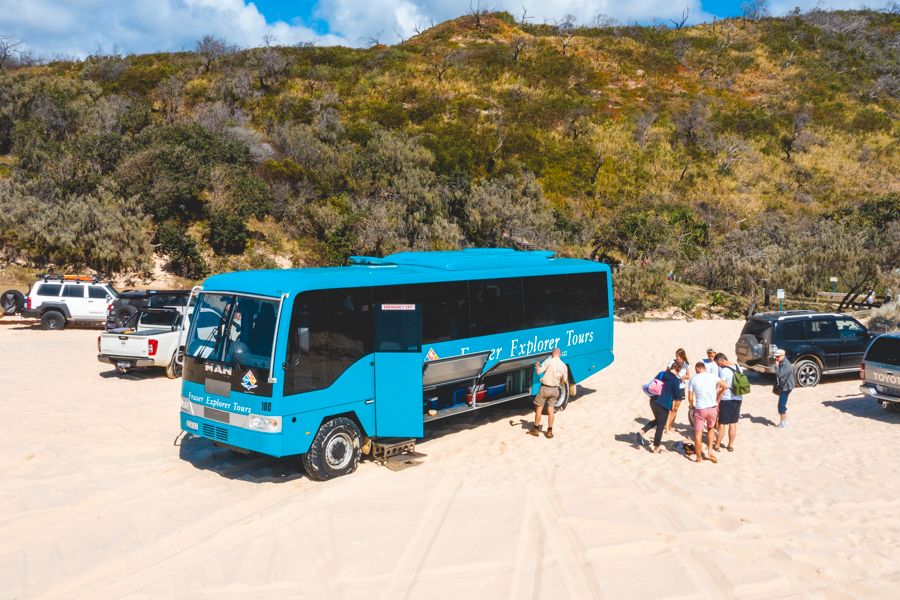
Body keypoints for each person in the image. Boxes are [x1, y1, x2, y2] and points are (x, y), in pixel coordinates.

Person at [635, 364, 681, 453]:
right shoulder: (675, 380)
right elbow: (677, 396)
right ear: (678, 370)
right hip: (664, 404)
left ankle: (641, 432)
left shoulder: (662, 373)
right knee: (660, 425)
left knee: (658, 420)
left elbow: (654, 384)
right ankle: (656, 447)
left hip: (653, 401)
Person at [529, 348, 567, 439]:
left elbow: (538, 372)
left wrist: (537, 366)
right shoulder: (563, 365)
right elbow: (564, 380)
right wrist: (558, 382)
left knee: (539, 408)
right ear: (560, 354)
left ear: (552, 353)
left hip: (545, 388)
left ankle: (535, 429)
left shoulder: (548, 361)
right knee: (551, 410)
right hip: (555, 389)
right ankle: (549, 431)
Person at [688, 361, 719, 463]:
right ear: (704, 368)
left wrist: (691, 406)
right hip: (712, 407)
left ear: (697, 368)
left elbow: (690, 397)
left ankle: (699, 458)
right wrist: (717, 397)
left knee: (698, 433)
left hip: (701, 408)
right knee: (711, 428)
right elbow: (725, 385)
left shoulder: (693, 378)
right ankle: (710, 450)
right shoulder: (713, 376)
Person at [715, 353, 744, 452]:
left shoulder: (724, 371)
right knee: (733, 423)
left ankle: (717, 445)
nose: (718, 366)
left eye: (718, 363)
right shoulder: (738, 367)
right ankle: (730, 445)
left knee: (722, 424)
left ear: (722, 360)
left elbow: (722, 387)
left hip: (727, 399)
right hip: (738, 398)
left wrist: (717, 400)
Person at [665, 349, 690, 433]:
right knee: (670, 408)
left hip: (681, 387)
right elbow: (666, 373)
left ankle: (671, 425)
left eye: (678, 356)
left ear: (682, 356)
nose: (676, 357)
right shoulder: (672, 362)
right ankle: (667, 427)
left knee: (676, 408)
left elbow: (688, 376)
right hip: (672, 386)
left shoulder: (686, 364)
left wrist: (683, 377)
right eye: (676, 356)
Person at [773, 349, 794, 428]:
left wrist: (776, 366)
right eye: (776, 357)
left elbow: (779, 375)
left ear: (783, 356)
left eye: (778, 357)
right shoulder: (782, 362)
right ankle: (784, 421)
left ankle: (783, 423)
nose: (776, 358)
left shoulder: (786, 365)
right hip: (784, 386)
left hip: (786, 387)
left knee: (781, 405)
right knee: (782, 404)